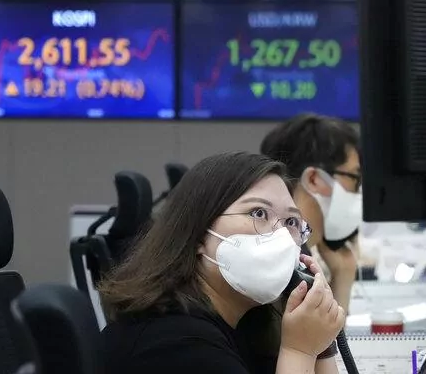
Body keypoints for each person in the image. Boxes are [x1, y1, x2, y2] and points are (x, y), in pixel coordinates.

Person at [98, 152, 345, 374]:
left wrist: (318, 341)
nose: (281, 236)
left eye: (291, 222)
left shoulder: (249, 322)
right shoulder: (176, 344)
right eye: (258, 213)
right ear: (197, 235)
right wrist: (301, 351)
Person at [260, 113, 361, 312]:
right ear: (315, 179)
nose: (358, 190)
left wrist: (343, 275)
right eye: (354, 178)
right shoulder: (284, 263)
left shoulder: (292, 251)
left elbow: (323, 340)